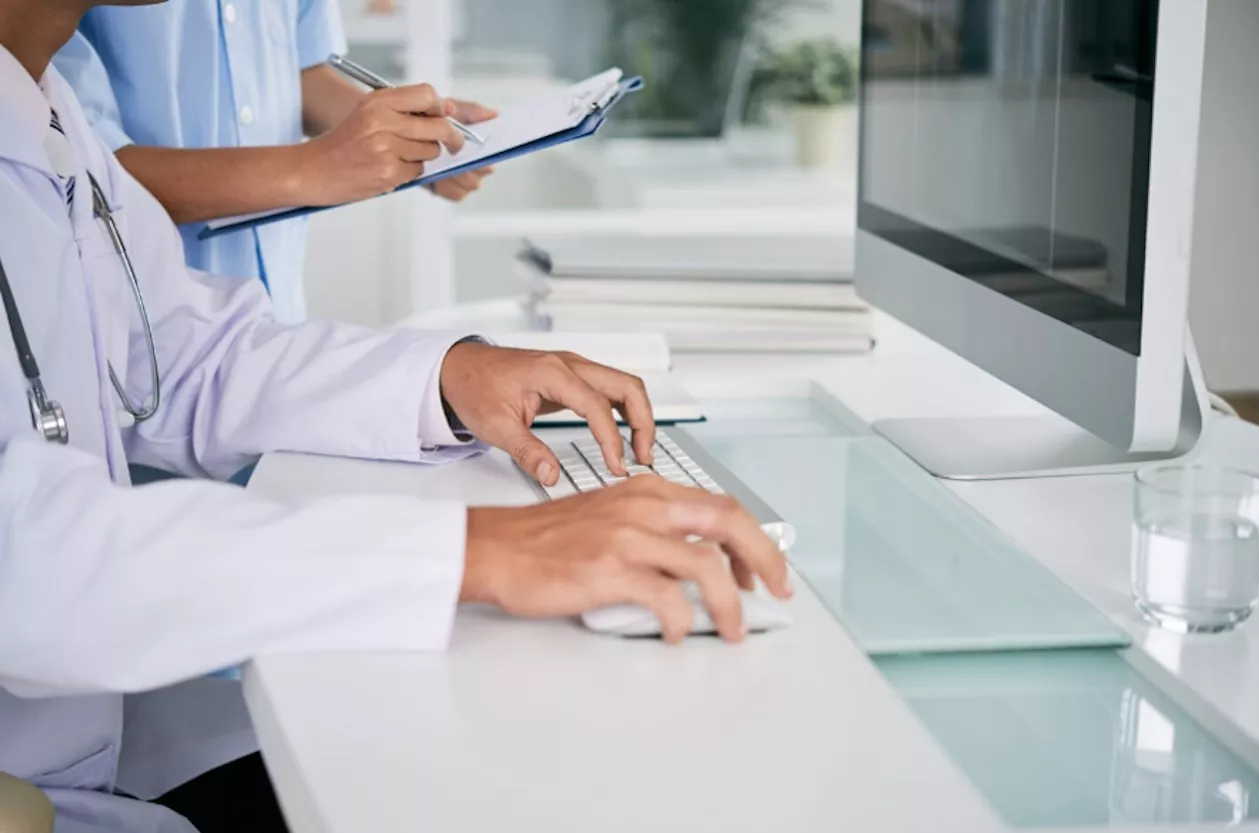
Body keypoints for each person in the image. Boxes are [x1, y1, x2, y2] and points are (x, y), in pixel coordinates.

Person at [0, 2, 794, 831]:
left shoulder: (40, 104)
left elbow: (185, 358)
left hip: (106, 737)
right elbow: (26, 560)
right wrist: (476, 552)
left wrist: (451, 375)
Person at [52, 0, 498, 323]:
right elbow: (79, 172)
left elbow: (300, 72)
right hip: (142, 321)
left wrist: (410, 135)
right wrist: (314, 169)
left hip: (276, 313)